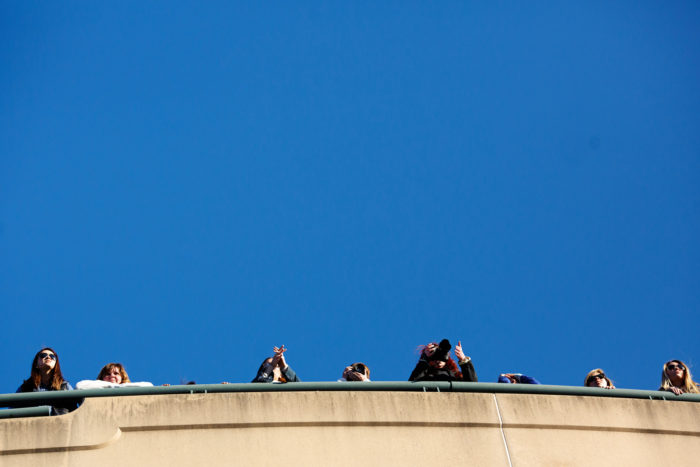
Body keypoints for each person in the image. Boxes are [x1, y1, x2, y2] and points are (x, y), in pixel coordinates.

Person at [16, 347, 78, 415]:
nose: (48, 357)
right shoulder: (25, 388)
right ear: (36, 364)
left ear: (55, 364)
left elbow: (74, 410)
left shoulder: (64, 386)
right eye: (43, 355)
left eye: (52, 356)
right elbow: (14, 410)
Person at [408, 339, 477, 382]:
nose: (438, 361)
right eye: (434, 357)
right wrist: (424, 359)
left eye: (441, 356)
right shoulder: (424, 374)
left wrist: (464, 360)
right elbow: (412, 384)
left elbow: (472, 384)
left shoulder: (455, 375)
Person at [75, 362, 153, 389]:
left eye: (116, 373)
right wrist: (110, 386)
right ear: (102, 377)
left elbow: (148, 386)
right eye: (108, 374)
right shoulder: (95, 386)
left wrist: (119, 387)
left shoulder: (129, 387)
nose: (112, 376)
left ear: (122, 377)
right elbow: (79, 386)